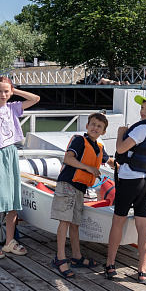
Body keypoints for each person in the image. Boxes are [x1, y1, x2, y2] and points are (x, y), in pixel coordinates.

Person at [104, 66, 146, 284]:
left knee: (118, 221)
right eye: (142, 108)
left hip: (129, 181)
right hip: (145, 181)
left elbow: (120, 150)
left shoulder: (141, 129)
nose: (143, 111)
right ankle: (142, 270)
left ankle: (110, 265)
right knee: (142, 224)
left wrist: (120, 134)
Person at [0, 76, 40, 259]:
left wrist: (15, 90)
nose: (4, 94)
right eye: (0, 91)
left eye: (7, 91)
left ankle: (9, 242)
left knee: (13, 201)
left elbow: (35, 99)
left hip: (12, 153)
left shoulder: (13, 108)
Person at [50, 112, 115, 278]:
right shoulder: (80, 140)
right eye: (93, 124)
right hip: (67, 185)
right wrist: (88, 168)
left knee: (75, 223)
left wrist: (124, 165)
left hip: (80, 189)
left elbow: (110, 161)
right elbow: (68, 159)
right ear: (87, 126)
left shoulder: (99, 148)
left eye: (99, 126)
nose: (95, 128)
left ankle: (77, 256)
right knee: (65, 220)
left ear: (103, 132)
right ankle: (60, 258)